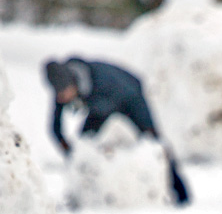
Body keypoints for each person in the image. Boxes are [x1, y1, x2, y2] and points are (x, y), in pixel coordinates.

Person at [43, 57, 190, 205]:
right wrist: (69, 151)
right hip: (102, 106)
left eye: (65, 93)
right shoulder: (62, 89)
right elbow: (55, 127)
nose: (63, 99)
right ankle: (79, 195)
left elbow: (108, 109)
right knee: (83, 147)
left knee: (155, 142)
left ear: (73, 83)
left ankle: (180, 192)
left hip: (131, 97)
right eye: (59, 95)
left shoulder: (99, 80)